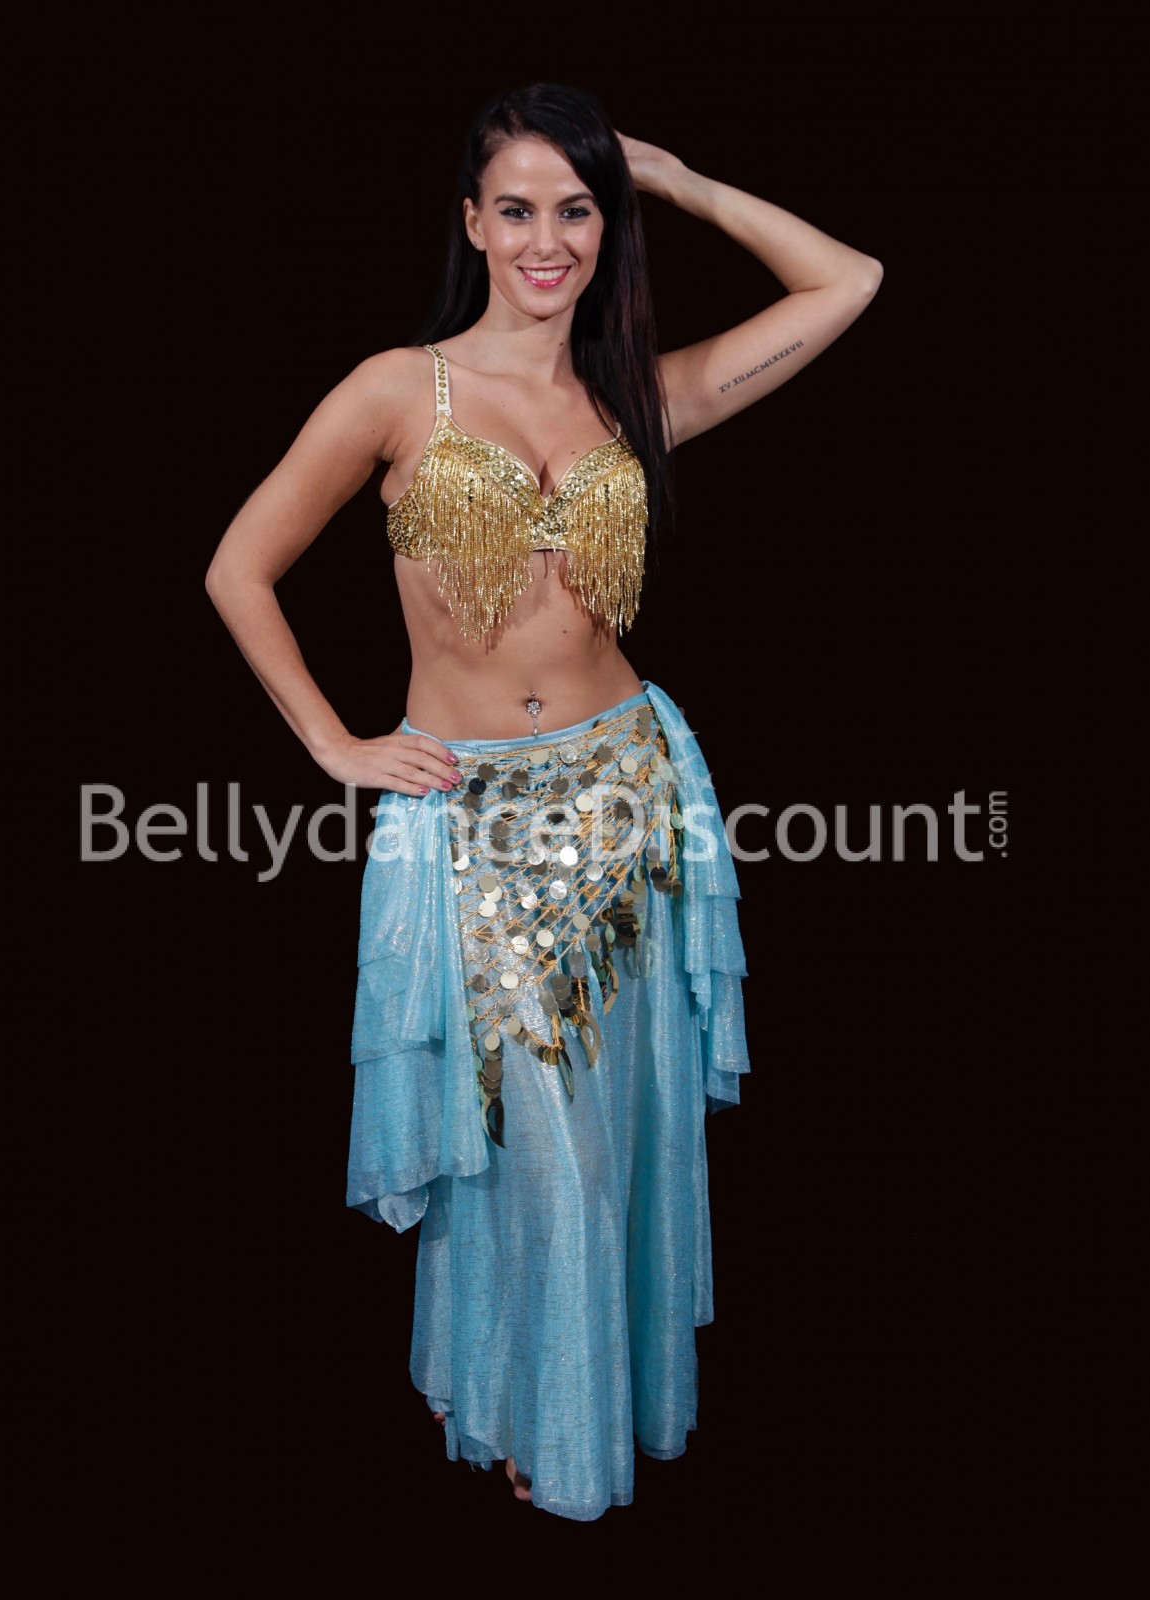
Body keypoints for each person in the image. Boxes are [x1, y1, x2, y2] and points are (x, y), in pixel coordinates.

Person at [205, 82, 881, 1520]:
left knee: (618, 1132)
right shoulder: (398, 390)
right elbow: (237, 568)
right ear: (471, 223)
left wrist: (677, 178)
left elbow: (849, 283)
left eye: (575, 210)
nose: (546, 240)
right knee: (537, 1152)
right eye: (515, 210)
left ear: (605, 225)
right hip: (473, 820)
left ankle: (571, 1413)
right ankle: (540, 1422)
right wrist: (332, 743)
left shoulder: (637, 395)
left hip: (629, 797)